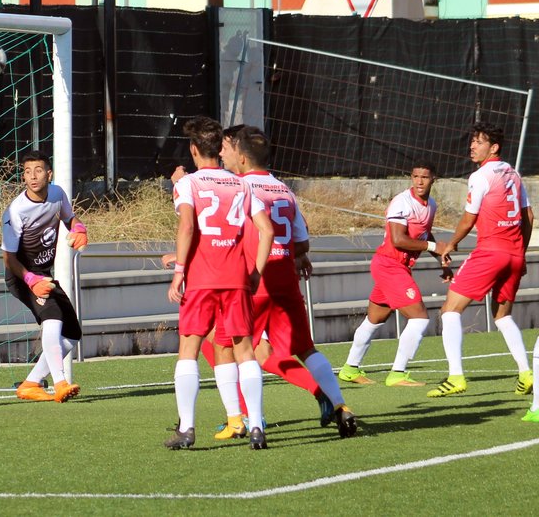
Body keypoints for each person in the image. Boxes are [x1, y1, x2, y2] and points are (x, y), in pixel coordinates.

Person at [220, 126, 357, 438]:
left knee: (234, 349)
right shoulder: (284, 190)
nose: (225, 155)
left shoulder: (239, 188)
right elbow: (302, 243)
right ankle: (340, 404)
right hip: (286, 278)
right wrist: (291, 255)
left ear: (242, 158)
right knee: (305, 348)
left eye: (229, 150)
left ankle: (249, 421)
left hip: (254, 278)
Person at [164, 117, 274, 450]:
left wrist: (179, 271)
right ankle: (256, 426)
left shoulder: (189, 184)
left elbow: (187, 227)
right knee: (244, 349)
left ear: (194, 150)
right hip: (236, 278)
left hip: (201, 278)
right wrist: (256, 272)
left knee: (189, 348)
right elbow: (267, 229)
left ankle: (187, 428)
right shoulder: (243, 184)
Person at [428, 122, 534, 398]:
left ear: (494, 147)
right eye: (472, 141)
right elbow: (529, 217)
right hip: (513, 255)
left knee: (450, 310)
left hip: (490, 252)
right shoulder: (513, 173)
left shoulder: (481, 176)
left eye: (479, 142)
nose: (472, 146)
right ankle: (526, 373)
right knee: (502, 316)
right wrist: (520, 253)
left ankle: (455, 377)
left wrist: (451, 243)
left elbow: (468, 218)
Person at [338, 162, 454, 387]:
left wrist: (441, 260)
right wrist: (434, 247)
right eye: (415, 176)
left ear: (434, 179)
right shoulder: (402, 202)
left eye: (425, 177)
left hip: (397, 267)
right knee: (419, 318)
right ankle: (397, 373)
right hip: (389, 265)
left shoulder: (431, 204)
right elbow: (398, 239)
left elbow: (424, 234)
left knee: (375, 319)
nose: (419, 181)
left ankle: (349, 369)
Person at [1, 150, 89, 403]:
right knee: (53, 317)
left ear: (49, 174)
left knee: (72, 333)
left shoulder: (57, 194)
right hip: (21, 276)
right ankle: (60, 383)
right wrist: (31, 280)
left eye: (38, 170)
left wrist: (79, 228)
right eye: (27, 172)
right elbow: (9, 259)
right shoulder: (16, 211)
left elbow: (70, 218)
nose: (32, 176)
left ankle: (31, 384)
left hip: (43, 275)